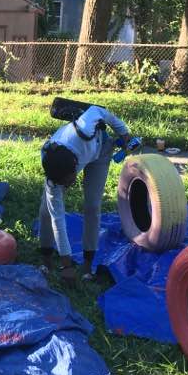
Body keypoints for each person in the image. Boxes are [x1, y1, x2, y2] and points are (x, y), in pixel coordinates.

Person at [39, 104, 134, 286]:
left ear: (75, 166)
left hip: (100, 150)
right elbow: (57, 218)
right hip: (72, 159)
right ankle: (47, 261)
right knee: (46, 211)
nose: (69, 185)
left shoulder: (83, 130)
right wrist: (66, 265)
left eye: (69, 180)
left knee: (92, 206)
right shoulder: (52, 169)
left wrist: (123, 133)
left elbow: (98, 111)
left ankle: (87, 266)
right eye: (64, 183)